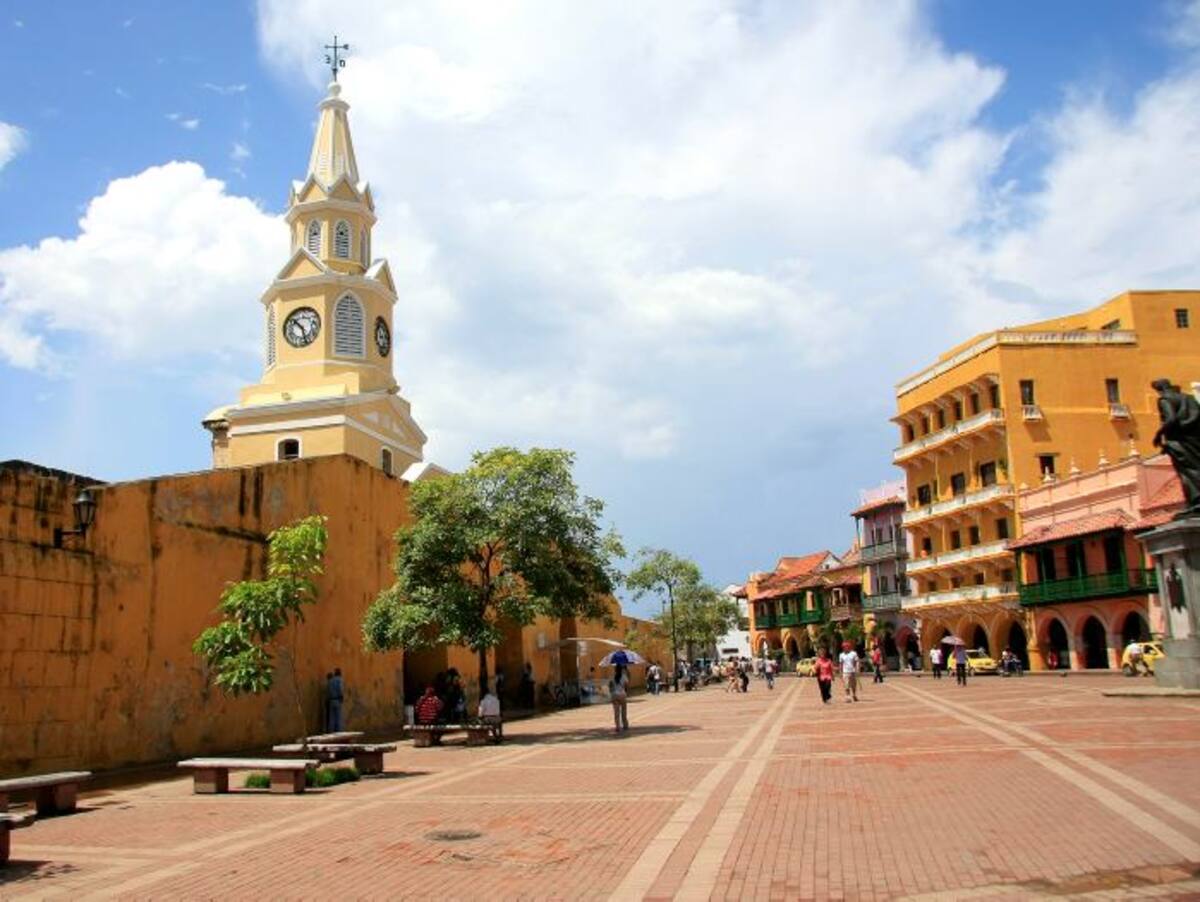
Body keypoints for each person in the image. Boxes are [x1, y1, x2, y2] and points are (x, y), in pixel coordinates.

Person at [609, 663, 630, 733]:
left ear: (615, 669)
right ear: (621, 670)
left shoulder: (612, 676)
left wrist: (612, 692)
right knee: (624, 711)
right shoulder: (624, 676)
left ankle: (617, 726)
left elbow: (610, 686)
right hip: (622, 694)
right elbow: (627, 685)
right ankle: (625, 725)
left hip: (614, 695)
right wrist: (626, 692)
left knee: (616, 712)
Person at [326, 668, 344, 732]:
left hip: (331, 700)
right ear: (339, 673)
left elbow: (328, 691)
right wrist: (341, 697)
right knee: (338, 717)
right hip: (337, 700)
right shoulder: (339, 680)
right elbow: (340, 689)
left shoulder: (330, 681)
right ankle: (338, 731)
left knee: (332, 717)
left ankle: (331, 731)